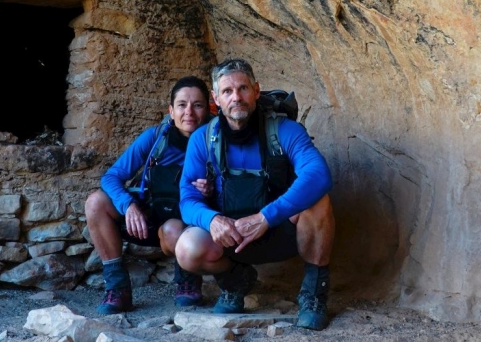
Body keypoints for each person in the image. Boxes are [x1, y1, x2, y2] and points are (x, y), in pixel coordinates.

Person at [176, 59, 335, 330]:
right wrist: (212, 220)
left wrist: (266, 217)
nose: (236, 97)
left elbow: (319, 174)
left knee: (319, 203)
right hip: (232, 236)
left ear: (256, 91)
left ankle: (314, 295)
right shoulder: (203, 139)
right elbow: (187, 199)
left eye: (243, 88)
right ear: (216, 99)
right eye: (227, 91)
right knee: (187, 248)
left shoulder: (284, 130)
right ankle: (236, 281)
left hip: (279, 231)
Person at [84, 76, 213, 314]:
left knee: (174, 229)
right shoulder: (156, 138)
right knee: (95, 203)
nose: (189, 113)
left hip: (186, 226)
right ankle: (117, 287)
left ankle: (188, 280)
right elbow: (111, 177)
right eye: (182, 105)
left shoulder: (216, 140)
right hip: (147, 217)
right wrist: (129, 206)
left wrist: (214, 189)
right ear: (171, 111)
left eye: (197, 105)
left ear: (208, 109)